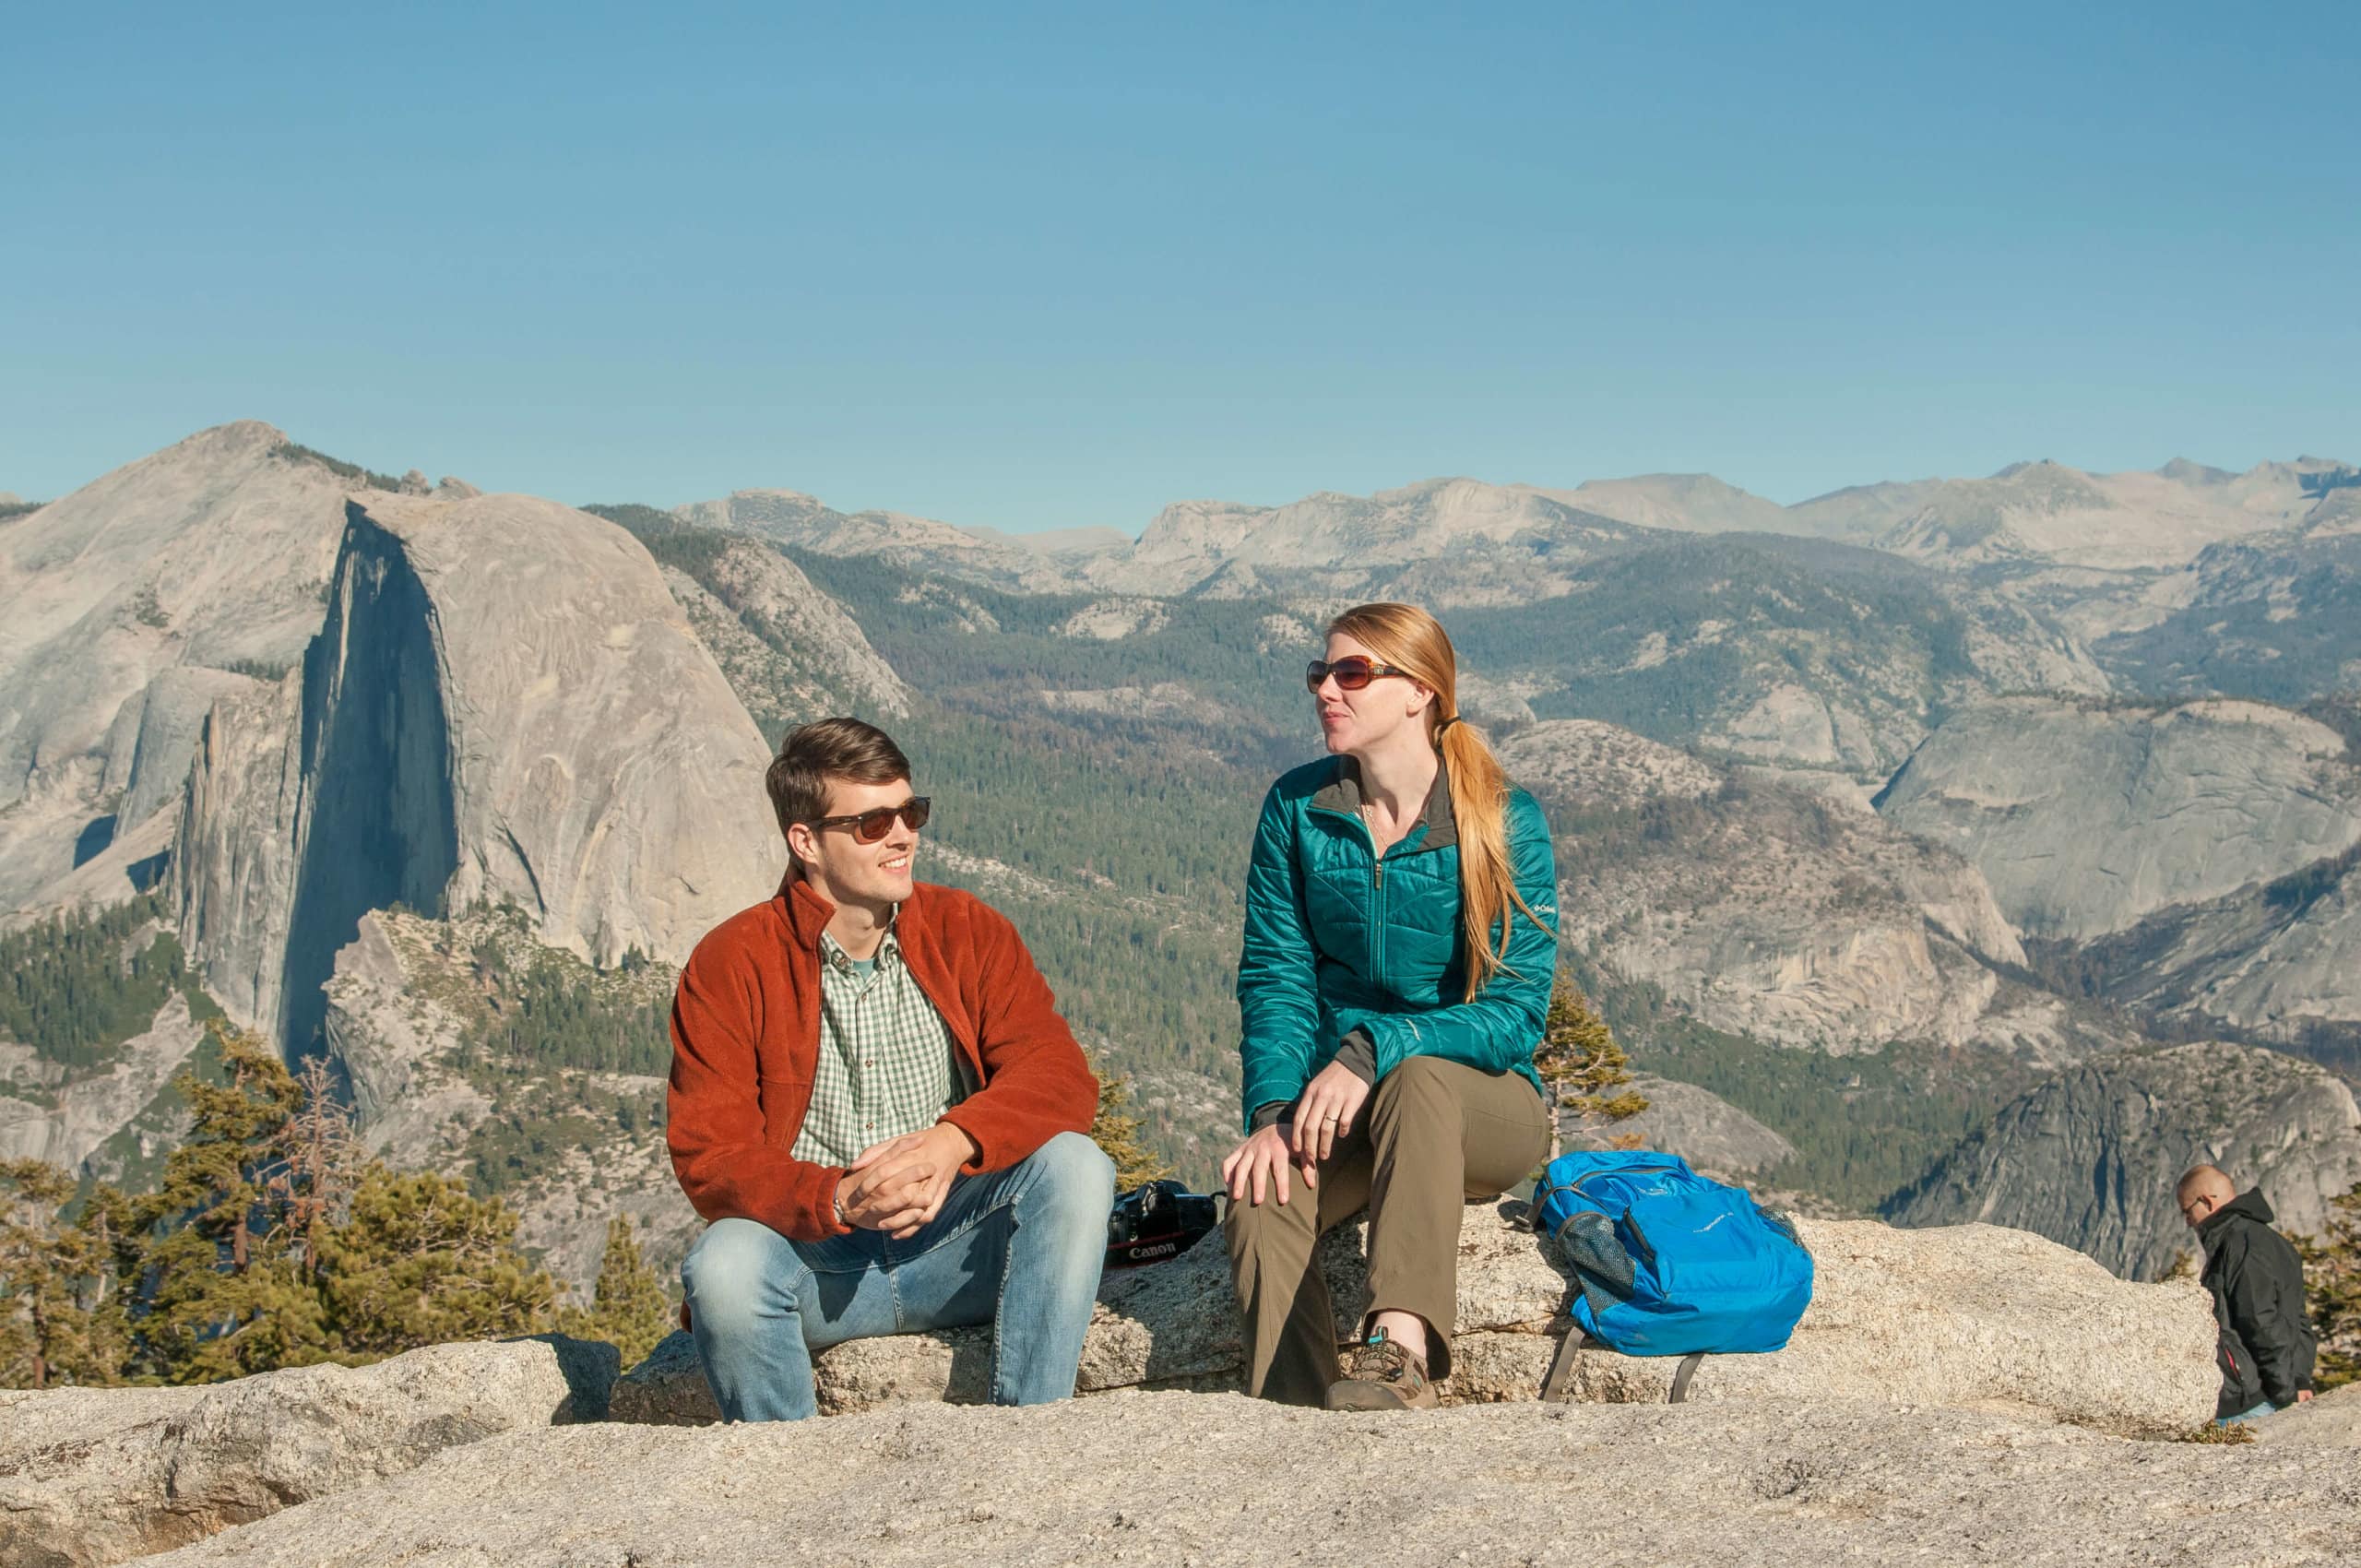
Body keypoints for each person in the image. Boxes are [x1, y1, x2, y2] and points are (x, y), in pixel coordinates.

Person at [668, 717, 1115, 1421]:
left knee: (1077, 1166)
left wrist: (953, 1141)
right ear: (806, 842)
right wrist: (839, 1198)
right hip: (817, 1264)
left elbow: (1057, 1074)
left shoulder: (969, 930)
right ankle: (783, 1491)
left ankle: (1032, 1438)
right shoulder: (732, 963)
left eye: (912, 812)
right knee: (722, 1268)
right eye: (873, 822)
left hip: (959, 1246)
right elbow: (710, 1154)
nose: (903, 835)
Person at [1224, 602, 1560, 1410]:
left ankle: (1399, 1352)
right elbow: (1276, 976)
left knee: (1421, 1080)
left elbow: (1517, 1011)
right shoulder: (1299, 810)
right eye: (1321, 673)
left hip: (1483, 1105)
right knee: (1259, 1193)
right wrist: (1274, 1110)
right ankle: (1301, 1414)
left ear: (1420, 692)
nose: (1326, 691)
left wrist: (1377, 1045)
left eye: (1352, 673)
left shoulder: (1504, 822)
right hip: (1344, 1109)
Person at [2177, 1164, 2318, 1424]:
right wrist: (2299, 1379)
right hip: (2268, 1393)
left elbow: (2260, 1322)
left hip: (2249, 1402)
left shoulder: (2239, 1245)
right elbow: (2299, 1320)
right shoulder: (2273, 1242)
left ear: (2206, 1201)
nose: (2188, 1222)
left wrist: (2285, 1394)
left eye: (2187, 1211)